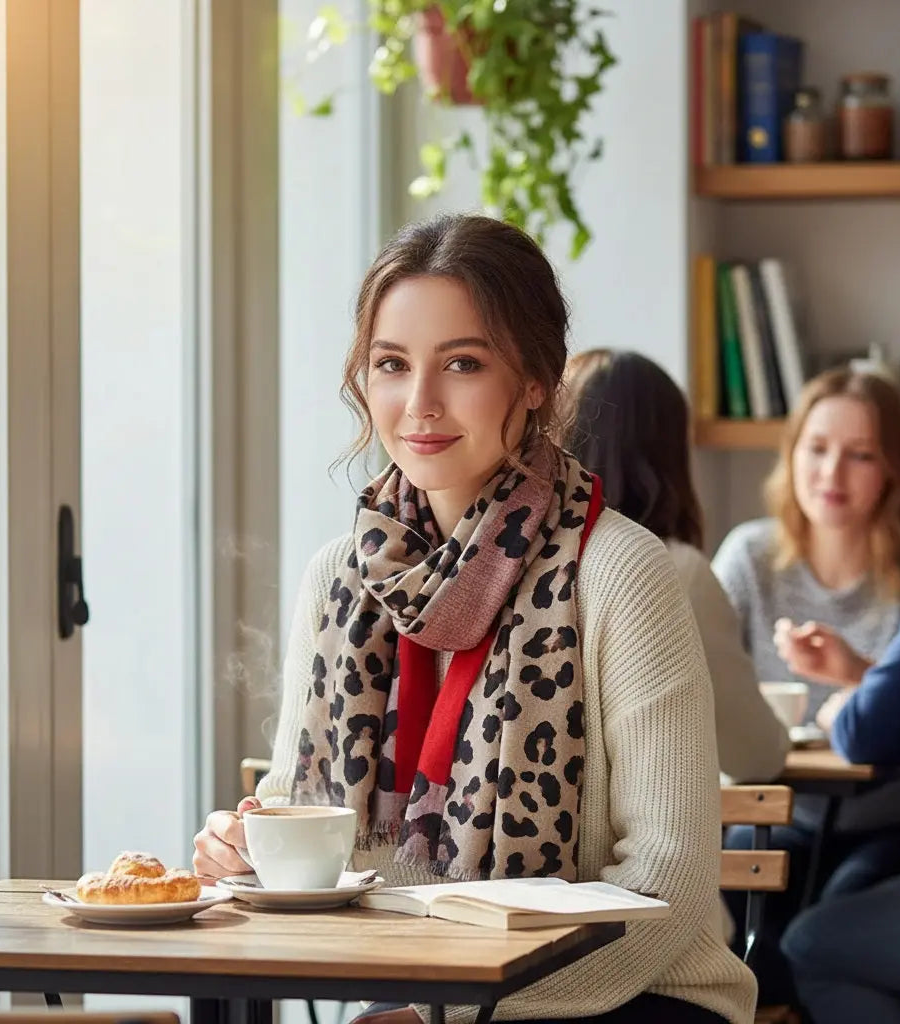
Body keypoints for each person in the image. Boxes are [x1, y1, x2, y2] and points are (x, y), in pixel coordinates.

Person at [193, 214, 756, 1024]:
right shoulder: (338, 578)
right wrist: (239, 852)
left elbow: (666, 877)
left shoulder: (618, 571)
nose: (419, 404)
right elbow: (299, 816)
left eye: (462, 363)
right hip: (419, 998)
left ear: (534, 382)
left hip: (628, 998)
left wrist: (447, 1012)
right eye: (391, 364)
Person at [712, 367, 900, 1002]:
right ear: (791, 455)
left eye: (861, 455)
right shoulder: (750, 557)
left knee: (832, 914)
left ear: (897, 469)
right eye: (817, 449)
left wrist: (857, 676)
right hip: (780, 813)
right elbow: (694, 684)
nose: (832, 473)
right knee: (736, 885)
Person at [778, 331, 900, 1024]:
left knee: (816, 944)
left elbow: (869, 732)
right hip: (795, 820)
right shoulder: (749, 554)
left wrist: (840, 707)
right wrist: (861, 675)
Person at [561, 349, 789, 784]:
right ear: (669, 454)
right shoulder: (674, 571)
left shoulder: (516, 561)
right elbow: (755, 756)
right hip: (640, 837)